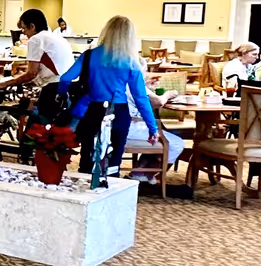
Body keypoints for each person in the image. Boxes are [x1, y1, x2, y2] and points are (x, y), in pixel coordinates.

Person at [57, 15, 183, 179]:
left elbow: (65, 78)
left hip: (92, 110)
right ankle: (112, 188)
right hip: (119, 112)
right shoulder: (131, 62)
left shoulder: (89, 56)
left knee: (87, 155)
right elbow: (141, 99)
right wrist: (152, 128)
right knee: (114, 158)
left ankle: (84, 185)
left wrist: (63, 94)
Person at [11, 8, 73, 85]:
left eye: (24, 28)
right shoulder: (58, 37)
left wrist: (7, 83)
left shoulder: (35, 39)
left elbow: (31, 74)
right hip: (70, 84)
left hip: (54, 85)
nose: (23, 32)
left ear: (32, 26)